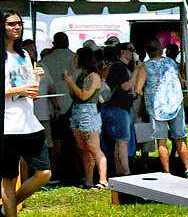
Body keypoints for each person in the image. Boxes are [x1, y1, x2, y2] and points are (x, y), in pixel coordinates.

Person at [2, 10, 52, 217]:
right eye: (11, 24)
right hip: (7, 125)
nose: (17, 27)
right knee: (9, 178)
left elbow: (29, 91)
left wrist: (36, 78)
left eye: (19, 23)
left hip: (29, 122)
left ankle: (5, 209)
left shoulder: (23, 53)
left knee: (44, 173)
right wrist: (19, 90)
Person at [134, 41, 188, 178]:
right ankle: (187, 169)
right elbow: (180, 80)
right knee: (180, 138)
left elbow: (137, 89)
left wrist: (148, 94)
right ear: (161, 49)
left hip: (157, 107)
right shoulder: (171, 63)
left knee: (161, 140)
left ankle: (167, 172)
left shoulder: (145, 67)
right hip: (175, 103)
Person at [63, 46, 107, 188]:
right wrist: (70, 84)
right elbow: (74, 95)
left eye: (76, 57)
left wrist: (71, 83)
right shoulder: (81, 75)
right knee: (84, 149)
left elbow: (84, 95)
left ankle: (103, 180)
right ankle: (88, 180)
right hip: (77, 112)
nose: (74, 60)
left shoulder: (93, 76)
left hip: (88, 113)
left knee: (94, 147)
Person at [38, 32, 75, 184]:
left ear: (54, 43)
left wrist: (55, 105)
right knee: (72, 142)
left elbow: (50, 87)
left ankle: (54, 170)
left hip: (51, 106)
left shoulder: (46, 61)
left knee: (54, 141)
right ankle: (73, 169)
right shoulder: (74, 58)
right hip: (72, 102)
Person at [100, 42, 138, 177]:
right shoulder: (119, 67)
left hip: (112, 107)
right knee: (123, 140)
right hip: (118, 107)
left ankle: (118, 170)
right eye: (130, 50)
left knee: (118, 141)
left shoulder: (117, 66)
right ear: (122, 52)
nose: (133, 52)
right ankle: (126, 172)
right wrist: (136, 71)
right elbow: (126, 86)